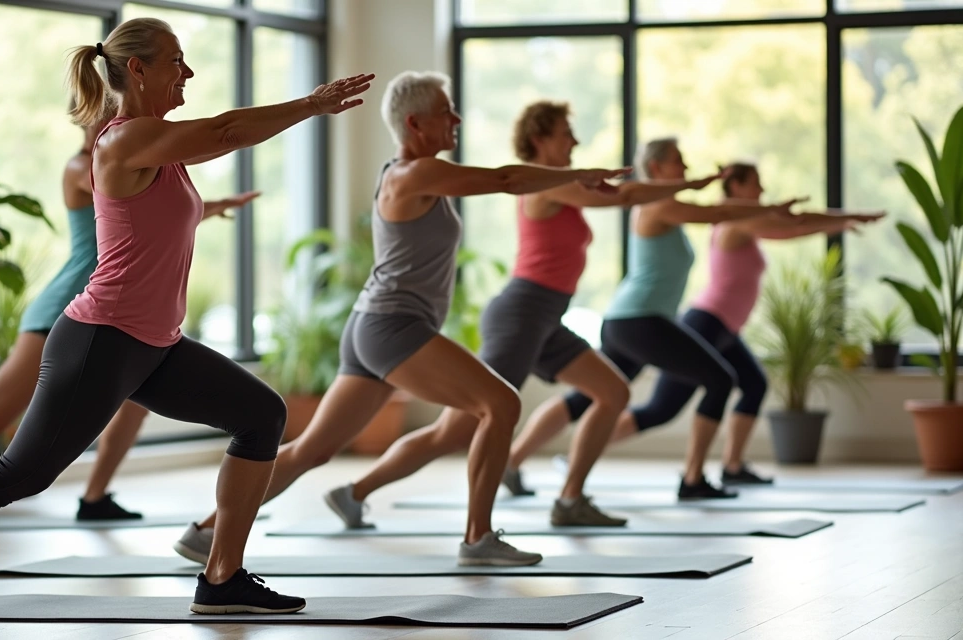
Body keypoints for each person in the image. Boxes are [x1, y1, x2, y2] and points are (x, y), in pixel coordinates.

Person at [0, 17, 373, 616]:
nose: (190, 72)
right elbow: (228, 129)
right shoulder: (124, 139)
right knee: (22, 472)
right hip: (102, 338)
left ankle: (222, 577)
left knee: (261, 416)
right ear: (139, 69)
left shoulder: (160, 145)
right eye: (178, 60)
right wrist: (310, 103)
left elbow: (153, 216)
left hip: (154, 342)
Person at [173, 73, 629, 568]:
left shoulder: (418, 173)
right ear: (415, 123)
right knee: (500, 403)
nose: (456, 119)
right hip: (392, 327)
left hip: (375, 326)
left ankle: (204, 532)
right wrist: (575, 173)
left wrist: (570, 176)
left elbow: (507, 180)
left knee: (312, 451)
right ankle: (478, 538)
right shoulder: (412, 174)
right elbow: (505, 179)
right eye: (446, 112)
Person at [321, 101, 725, 530]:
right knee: (454, 431)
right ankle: (355, 492)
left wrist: (684, 185)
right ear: (540, 139)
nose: (575, 140)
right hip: (520, 314)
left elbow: (623, 194)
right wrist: (690, 184)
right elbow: (624, 196)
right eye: (566, 132)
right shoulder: (543, 185)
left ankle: (570, 500)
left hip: (547, 317)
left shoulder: (560, 183)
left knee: (612, 393)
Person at [0, 109, 256, 530]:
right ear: (85, 123)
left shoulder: (132, 163)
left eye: (114, 118)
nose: (107, 126)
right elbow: (122, 186)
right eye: (99, 119)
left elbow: (158, 206)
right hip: (65, 312)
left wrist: (210, 206)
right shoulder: (83, 166)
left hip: (119, 320)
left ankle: (95, 495)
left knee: (135, 409)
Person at [513, 163, 884, 490]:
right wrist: (842, 217)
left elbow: (788, 228)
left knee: (747, 384)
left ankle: (730, 466)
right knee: (667, 404)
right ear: (734, 186)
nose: (762, 190)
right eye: (754, 183)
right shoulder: (696, 214)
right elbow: (781, 221)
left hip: (675, 323)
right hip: (668, 320)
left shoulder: (721, 219)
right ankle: (683, 476)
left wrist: (843, 221)